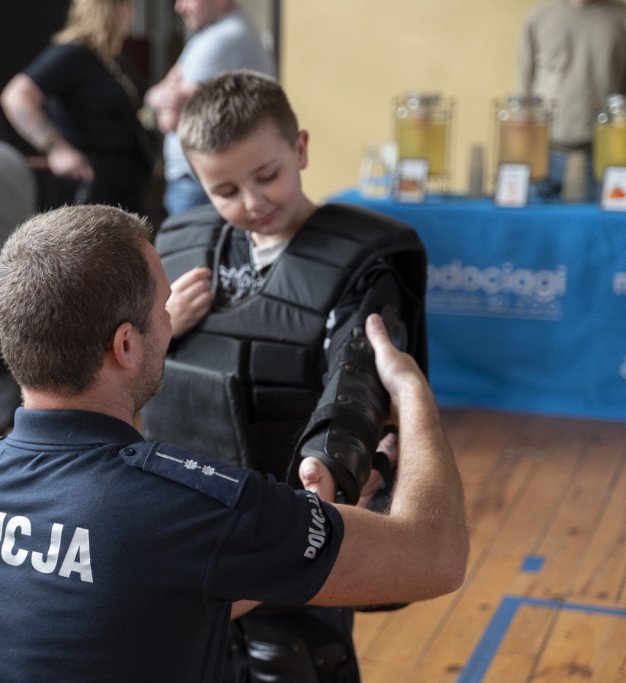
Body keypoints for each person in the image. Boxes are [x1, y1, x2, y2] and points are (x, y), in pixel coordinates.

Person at [0, 203, 467, 682]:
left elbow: (162, 587)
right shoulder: (187, 507)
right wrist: (411, 389)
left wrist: (308, 523)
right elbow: (436, 557)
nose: (170, 323)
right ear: (125, 344)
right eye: (164, 308)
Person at [139, 71, 430, 682]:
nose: (251, 201)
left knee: (294, 657)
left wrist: (336, 463)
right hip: (184, 514)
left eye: (266, 175)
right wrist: (160, 327)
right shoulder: (177, 250)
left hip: (294, 510)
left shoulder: (359, 261)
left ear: (299, 148)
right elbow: (114, 363)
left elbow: (357, 378)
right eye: (224, 189)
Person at [0, 0, 153, 214]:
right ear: (114, 9)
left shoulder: (110, 58)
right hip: (91, 192)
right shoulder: (72, 53)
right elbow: (16, 96)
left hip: (122, 189)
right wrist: (56, 147)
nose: (132, 13)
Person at [144, 0, 274, 216]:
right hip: (201, 180)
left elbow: (169, 121)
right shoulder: (212, 36)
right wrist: (159, 96)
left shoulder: (221, 40)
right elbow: (153, 95)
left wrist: (159, 98)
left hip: (201, 184)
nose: (179, 7)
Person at [518, 0, 626, 201]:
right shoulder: (538, 16)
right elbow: (524, 92)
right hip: (544, 153)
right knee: (536, 229)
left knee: (599, 230)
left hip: (604, 155)